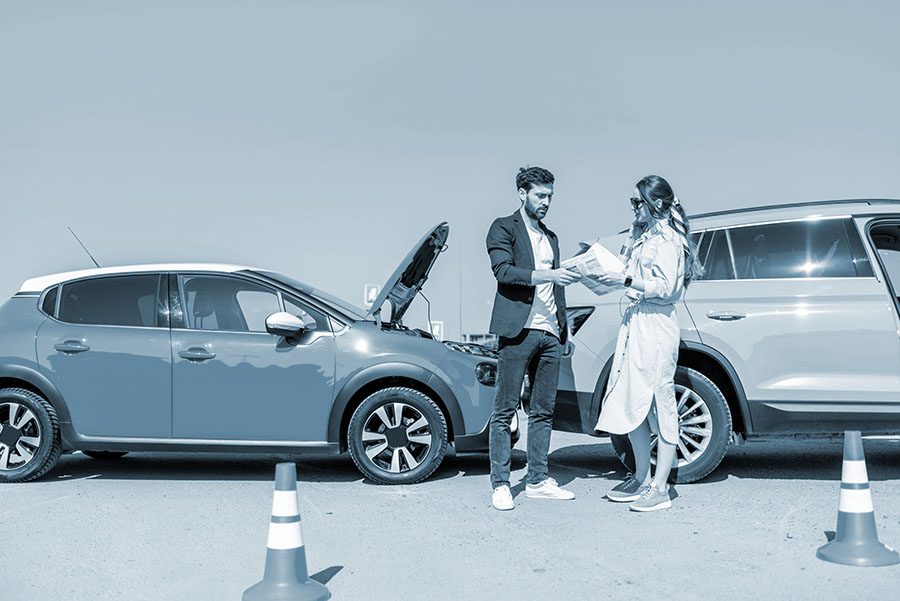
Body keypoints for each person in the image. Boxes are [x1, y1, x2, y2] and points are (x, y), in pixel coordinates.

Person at [593, 175, 701, 512]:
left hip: (656, 324)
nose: (632, 208)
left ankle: (660, 487)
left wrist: (625, 278)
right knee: (633, 400)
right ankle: (641, 475)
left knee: (660, 401)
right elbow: (630, 272)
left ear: (655, 203)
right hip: (637, 323)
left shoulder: (668, 239)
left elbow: (667, 287)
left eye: (636, 202)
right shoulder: (644, 237)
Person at [485, 166, 582, 511]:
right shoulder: (503, 227)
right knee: (504, 410)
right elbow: (504, 271)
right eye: (541, 195)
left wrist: (564, 328)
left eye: (550, 197)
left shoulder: (551, 237)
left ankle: (538, 479)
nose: (546, 203)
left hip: (550, 334)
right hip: (518, 331)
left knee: (543, 411)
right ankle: (500, 483)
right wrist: (549, 273)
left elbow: (557, 287)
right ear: (522, 193)